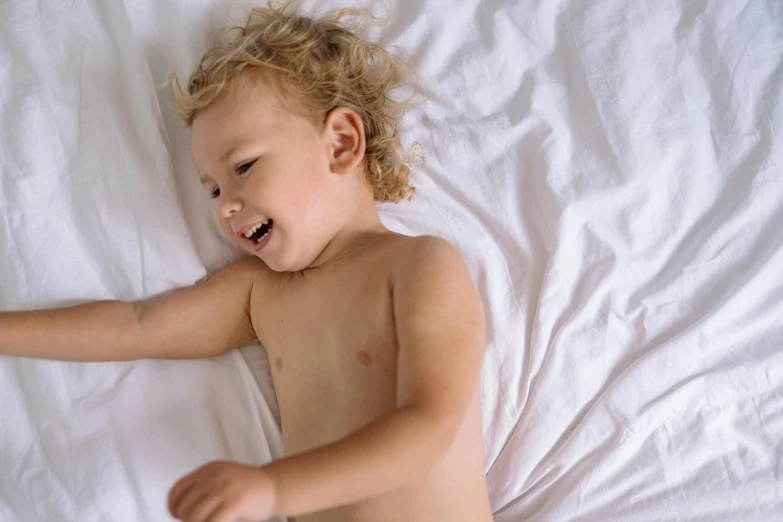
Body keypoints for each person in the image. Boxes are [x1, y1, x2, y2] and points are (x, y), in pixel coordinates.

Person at [0, 3, 492, 521]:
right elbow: (135, 327)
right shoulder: (262, 293)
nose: (224, 205)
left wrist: (274, 491)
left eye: (244, 167)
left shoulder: (420, 266)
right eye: (212, 189)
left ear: (342, 144)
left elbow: (430, 426)